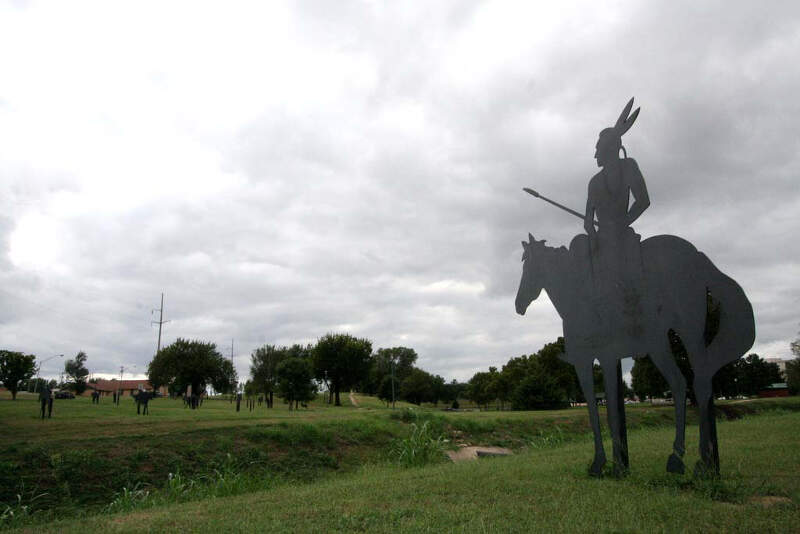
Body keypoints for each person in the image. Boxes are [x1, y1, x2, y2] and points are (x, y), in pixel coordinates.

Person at [583, 98, 650, 342]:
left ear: (610, 150)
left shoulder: (629, 167)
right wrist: (594, 235)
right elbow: (588, 220)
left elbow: (643, 201)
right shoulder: (594, 182)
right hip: (603, 240)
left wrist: (622, 223)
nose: (594, 155)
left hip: (622, 235)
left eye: (598, 150)